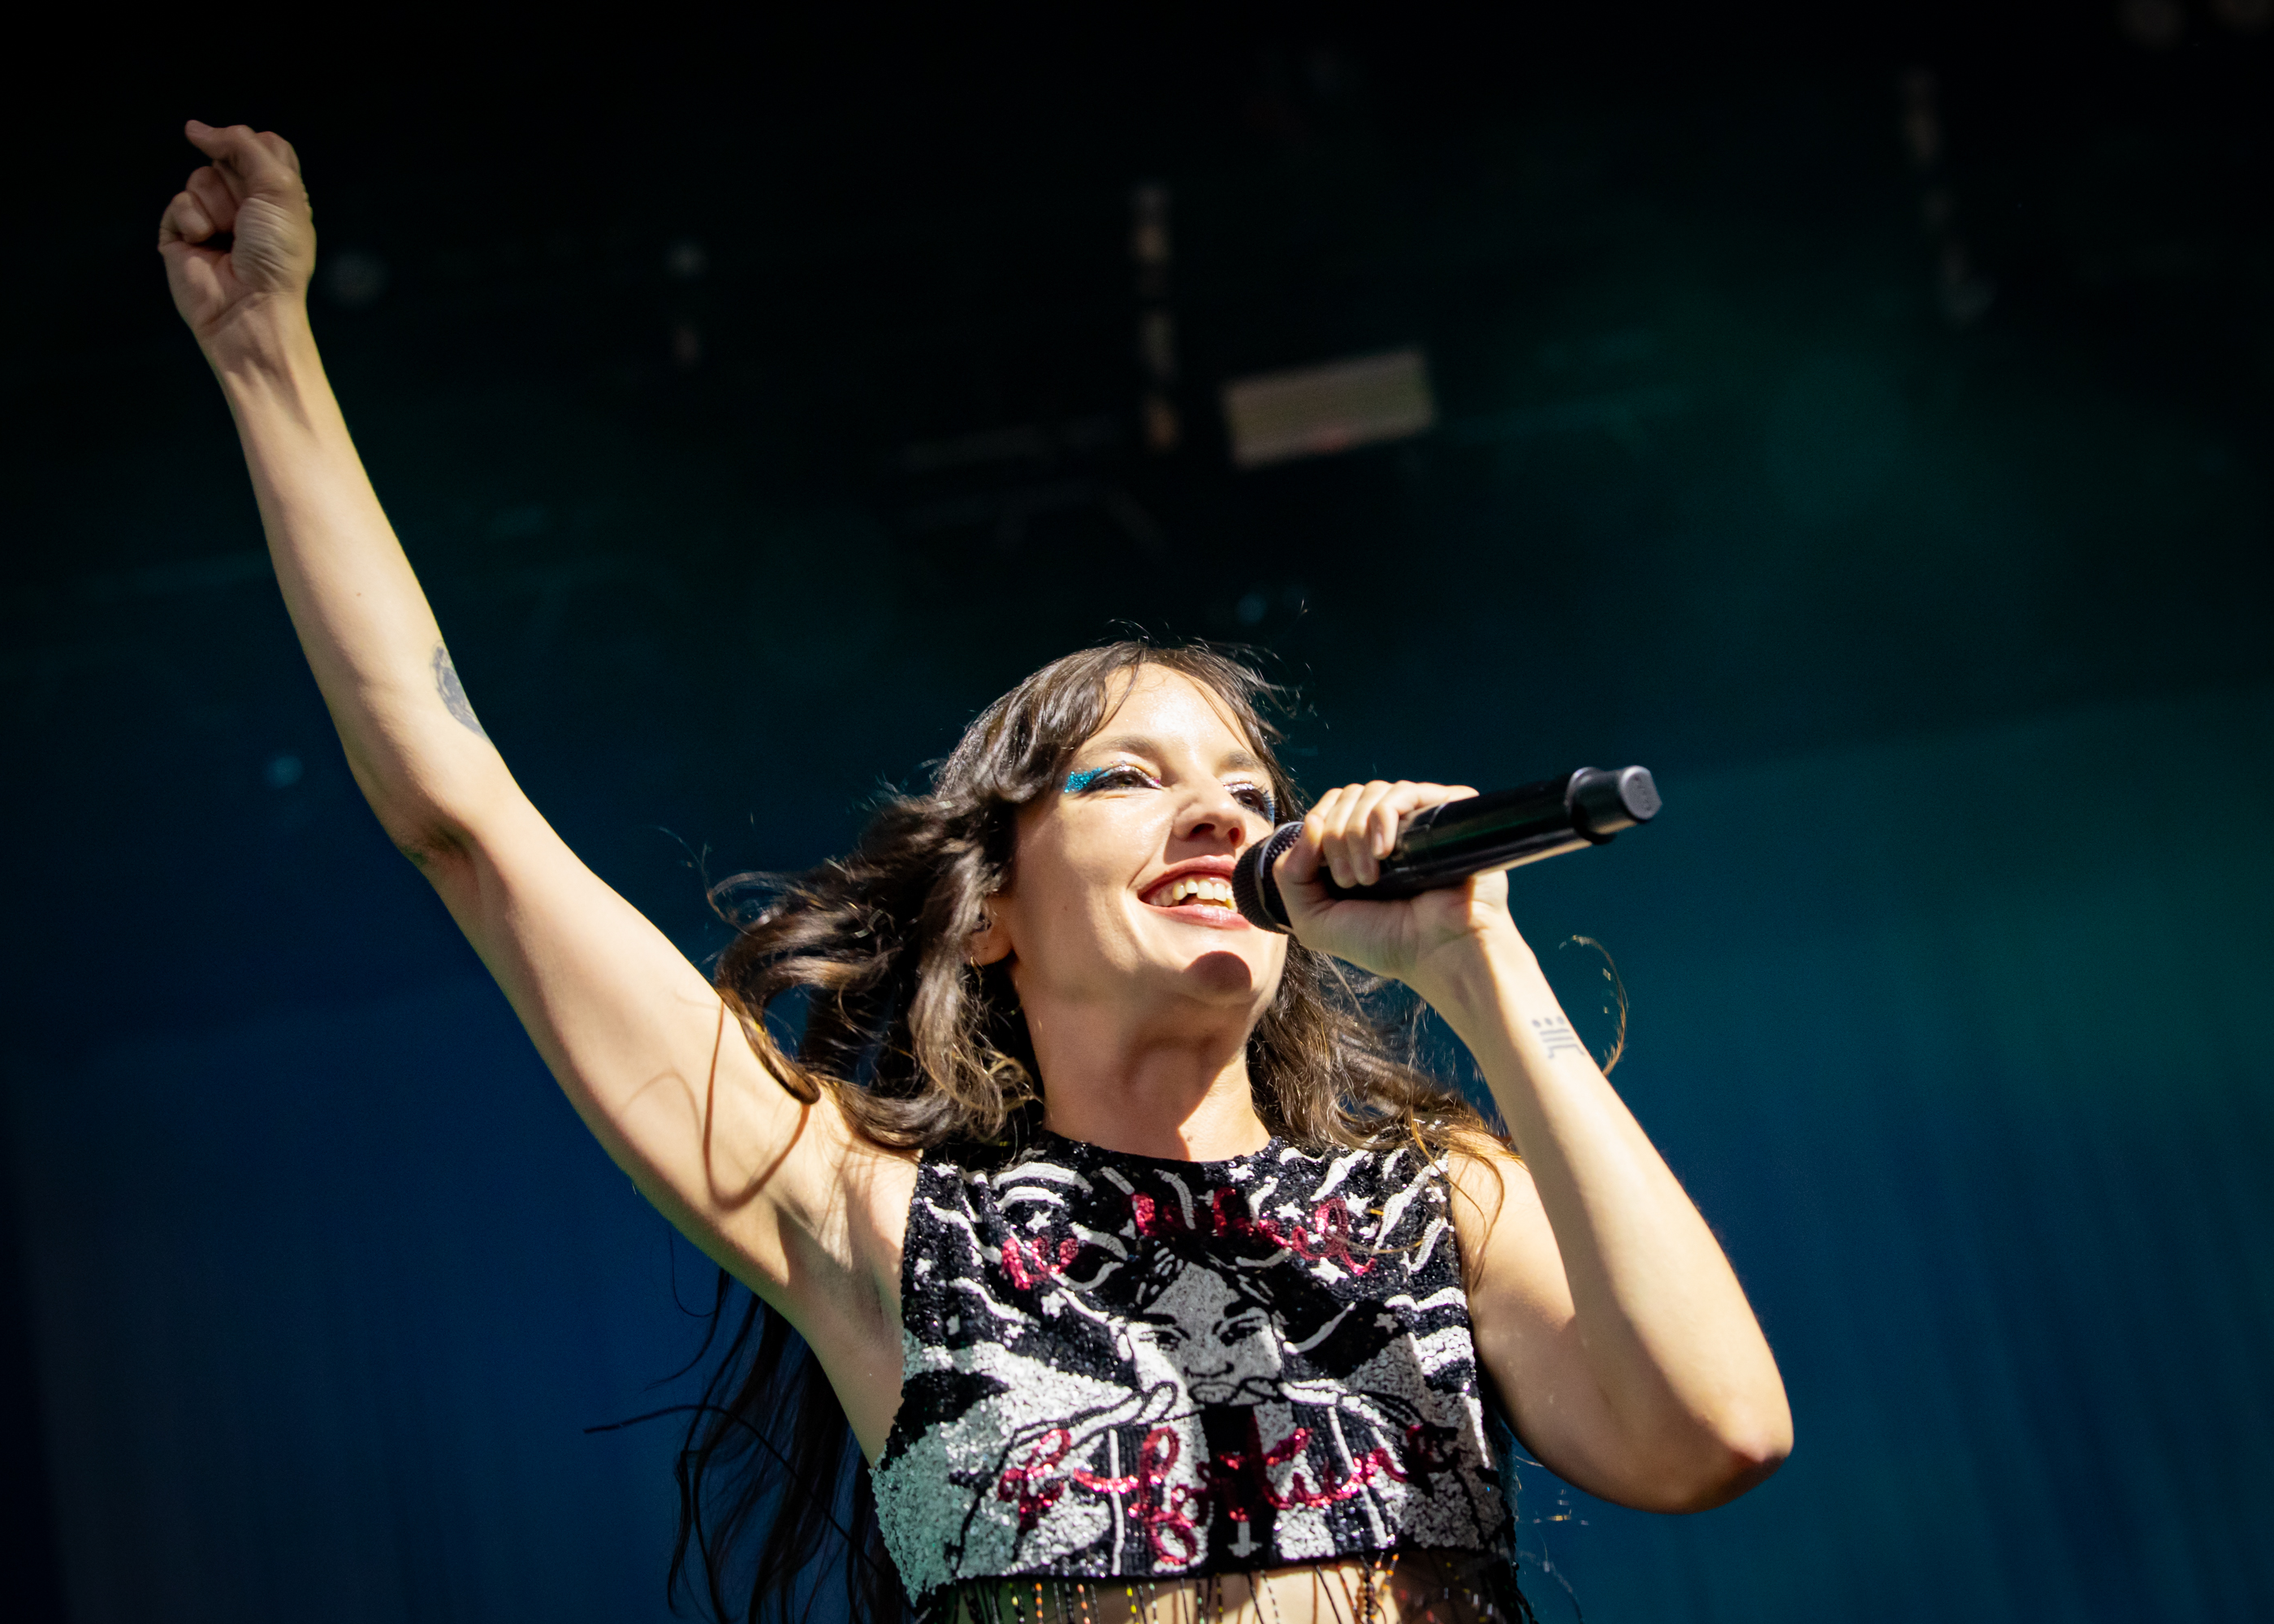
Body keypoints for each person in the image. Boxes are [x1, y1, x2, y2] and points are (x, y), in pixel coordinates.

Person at [159, 120, 1792, 1624]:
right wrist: (265, 352)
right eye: (1128, 778)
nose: (1216, 816)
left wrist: (1474, 961)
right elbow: (464, 819)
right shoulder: (875, 1223)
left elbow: (1713, 1434)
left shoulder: (1434, 1202)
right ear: (994, 908)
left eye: (1248, 792)